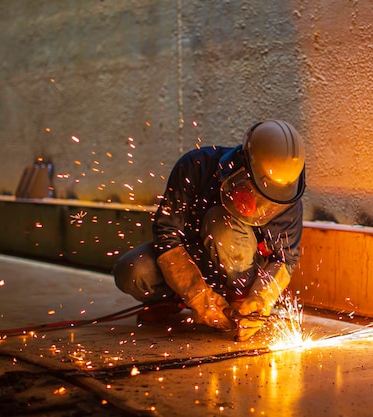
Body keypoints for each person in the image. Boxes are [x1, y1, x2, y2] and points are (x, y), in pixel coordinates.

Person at [112, 120, 306, 341]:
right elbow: (166, 236)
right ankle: (172, 300)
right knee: (132, 272)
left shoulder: (288, 200)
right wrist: (196, 296)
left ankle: (240, 304)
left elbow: (284, 259)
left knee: (221, 225)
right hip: (190, 261)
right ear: (244, 162)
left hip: (243, 273)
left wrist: (260, 299)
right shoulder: (196, 166)